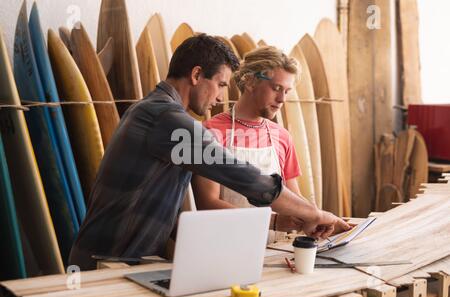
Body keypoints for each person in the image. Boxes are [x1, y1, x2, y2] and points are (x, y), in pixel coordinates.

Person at [69, 34, 350, 270]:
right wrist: (317, 214)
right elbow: (247, 179)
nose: (220, 96)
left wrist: (276, 221)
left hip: (125, 258)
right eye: (222, 84)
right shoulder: (168, 121)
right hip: (104, 262)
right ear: (196, 75)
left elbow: (176, 215)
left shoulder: (153, 111)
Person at [192, 46, 306, 232]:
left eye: (287, 91)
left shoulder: (282, 137)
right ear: (250, 82)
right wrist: (272, 222)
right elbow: (207, 203)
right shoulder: (211, 132)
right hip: (226, 246)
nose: (282, 99)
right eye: (276, 88)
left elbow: (294, 199)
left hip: (274, 250)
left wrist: (316, 218)